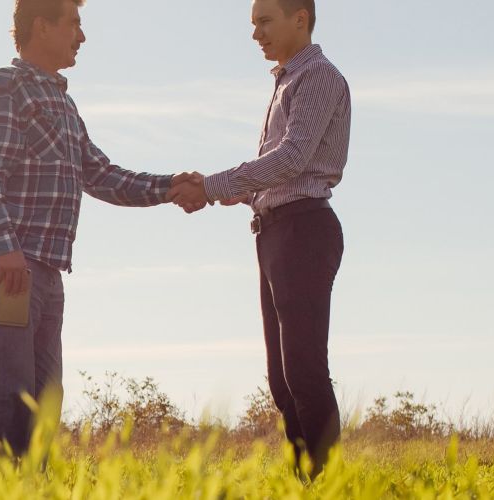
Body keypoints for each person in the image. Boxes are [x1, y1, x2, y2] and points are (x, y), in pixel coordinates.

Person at [0, 0, 202, 471]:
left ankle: (31, 485)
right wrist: (5, 249)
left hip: (45, 267)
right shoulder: (5, 86)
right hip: (7, 262)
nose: (81, 37)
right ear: (42, 27)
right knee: (5, 389)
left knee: (44, 397)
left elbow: (102, 174)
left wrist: (170, 187)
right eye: (74, 24)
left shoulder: (64, 105)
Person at [166, 0, 352, 480]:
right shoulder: (286, 81)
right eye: (254, 25)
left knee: (304, 369)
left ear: (300, 18)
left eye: (264, 22)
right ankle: (303, 478)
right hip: (274, 231)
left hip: (304, 230)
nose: (256, 35)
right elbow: (280, 169)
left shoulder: (318, 77)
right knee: (282, 377)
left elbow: (291, 159)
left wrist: (212, 186)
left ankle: (328, 481)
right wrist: (243, 194)